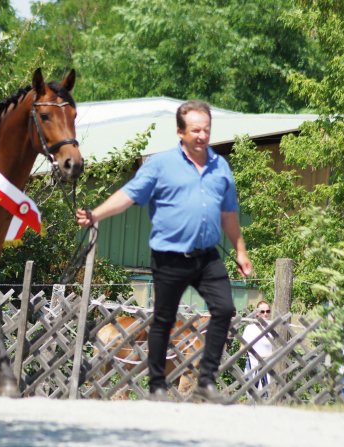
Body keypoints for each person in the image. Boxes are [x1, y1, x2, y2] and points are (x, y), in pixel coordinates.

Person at [76, 100, 252, 404]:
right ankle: (157, 385)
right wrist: (96, 214)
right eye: (195, 130)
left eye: (206, 129)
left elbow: (229, 214)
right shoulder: (161, 164)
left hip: (207, 254)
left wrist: (240, 250)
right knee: (163, 318)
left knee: (224, 309)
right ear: (180, 132)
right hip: (169, 254)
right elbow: (128, 196)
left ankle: (206, 381)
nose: (202, 135)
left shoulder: (220, 166)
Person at [242, 300, 273, 398]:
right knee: (251, 394)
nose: (265, 314)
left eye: (267, 311)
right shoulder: (250, 328)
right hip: (252, 364)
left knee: (266, 394)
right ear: (256, 313)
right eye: (262, 311)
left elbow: (277, 348)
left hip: (268, 365)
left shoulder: (273, 326)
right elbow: (242, 348)